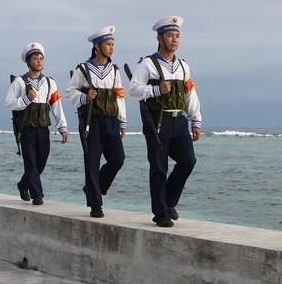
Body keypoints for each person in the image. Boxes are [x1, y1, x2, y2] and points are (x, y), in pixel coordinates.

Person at [128, 16, 202, 227]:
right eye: (170, 35)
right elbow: (133, 89)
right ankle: (160, 213)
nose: (174, 39)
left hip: (179, 120)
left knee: (188, 161)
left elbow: (190, 94)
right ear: (159, 38)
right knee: (159, 168)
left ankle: (167, 202)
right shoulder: (147, 64)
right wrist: (156, 90)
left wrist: (196, 120)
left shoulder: (183, 66)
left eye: (177, 35)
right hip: (157, 121)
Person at [65, 26, 126, 218]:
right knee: (92, 162)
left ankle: (93, 188)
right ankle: (96, 205)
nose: (111, 48)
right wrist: (85, 97)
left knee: (118, 159)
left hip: (111, 121)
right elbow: (70, 92)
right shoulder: (83, 69)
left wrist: (122, 122)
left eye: (112, 44)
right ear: (97, 46)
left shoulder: (115, 70)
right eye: (108, 44)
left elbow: (119, 97)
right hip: (91, 122)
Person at [4, 42, 68, 206]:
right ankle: (37, 195)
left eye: (41, 58)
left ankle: (23, 184)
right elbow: (9, 103)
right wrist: (26, 99)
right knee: (31, 162)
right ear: (28, 62)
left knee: (41, 162)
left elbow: (56, 105)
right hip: (26, 129)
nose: (39, 61)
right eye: (35, 58)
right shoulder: (19, 82)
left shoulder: (49, 82)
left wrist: (62, 127)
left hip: (43, 128)